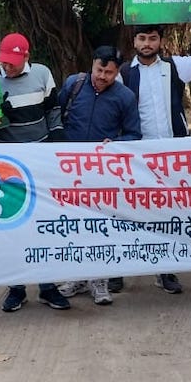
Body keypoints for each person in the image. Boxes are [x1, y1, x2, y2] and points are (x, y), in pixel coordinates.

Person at [119, 3, 191, 295]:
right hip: (137, 156)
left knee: (169, 213)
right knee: (132, 213)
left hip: (173, 155)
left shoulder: (175, 66)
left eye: (152, 39)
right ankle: (120, 270)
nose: (147, 44)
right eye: (141, 39)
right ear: (133, 42)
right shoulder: (124, 73)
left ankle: (166, 270)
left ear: (160, 41)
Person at [0, 33, 71, 313]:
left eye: (13, 62)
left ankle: (48, 287)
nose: (8, 67)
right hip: (8, 164)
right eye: (4, 62)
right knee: (14, 225)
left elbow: (53, 110)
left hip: (39, 159)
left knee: (42, 225)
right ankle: (16, 288)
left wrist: (57, 140)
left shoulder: (42, 74)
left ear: (26, 57)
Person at [57, 45, 141, 305]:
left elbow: (134, 134)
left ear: (118, 72)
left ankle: (100, 281)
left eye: (109, 72)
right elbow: (56, 118)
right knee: (72, 225)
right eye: (99, 69)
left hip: (103, 174)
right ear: (92, 64)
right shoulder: (74, 84)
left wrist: (115, 144)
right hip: (68, 171)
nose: (102, 76)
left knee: (100, 227)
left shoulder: (125, 97)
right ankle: (77, 278)